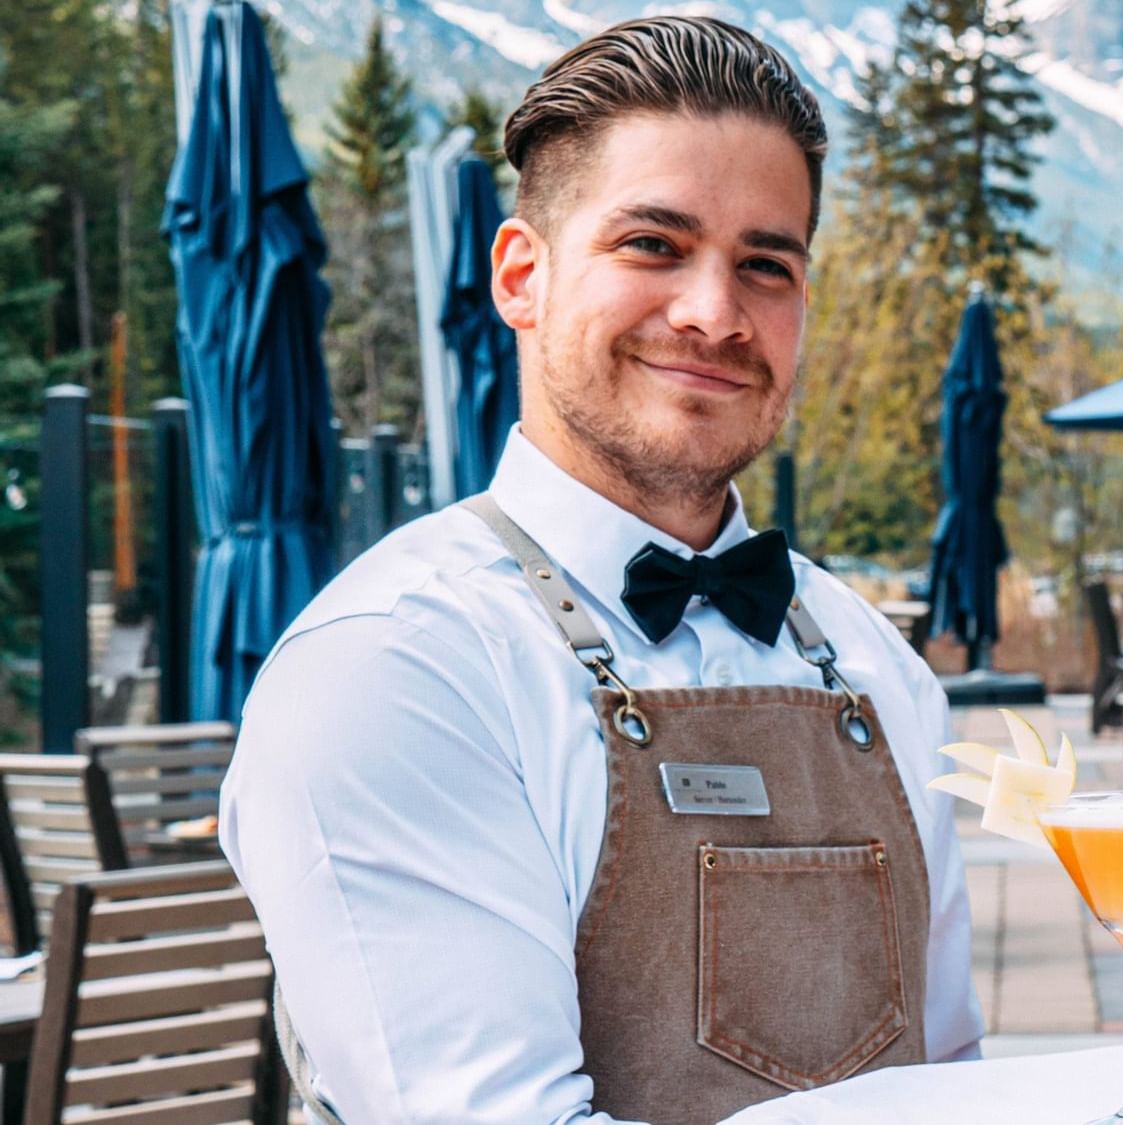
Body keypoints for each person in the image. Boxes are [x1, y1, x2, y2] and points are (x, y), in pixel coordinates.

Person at [219, 17, 984, 1124]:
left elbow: (950, 1084)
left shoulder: (877, 663)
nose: (714, 313)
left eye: (765, 265)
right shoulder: (397, 668)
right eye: (653, 245)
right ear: (521, 276)